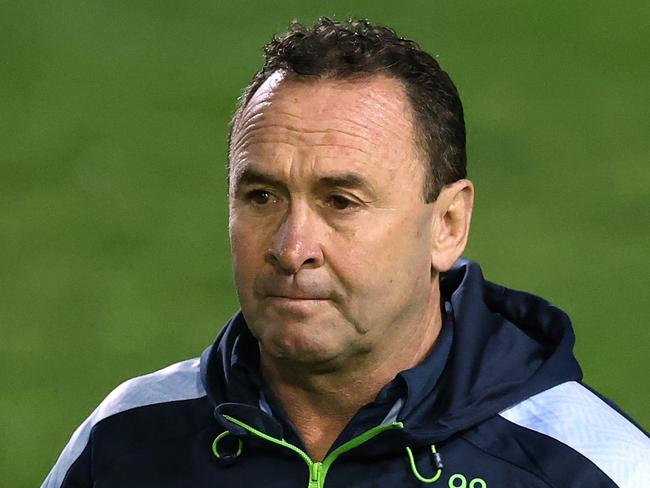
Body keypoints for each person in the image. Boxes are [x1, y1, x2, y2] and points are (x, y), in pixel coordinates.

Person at [43, 17, 648, 488]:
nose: (291, 247)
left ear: (448, 223)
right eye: (262, 196)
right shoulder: (125, 439)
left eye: (341, 201)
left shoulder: (596, 467)